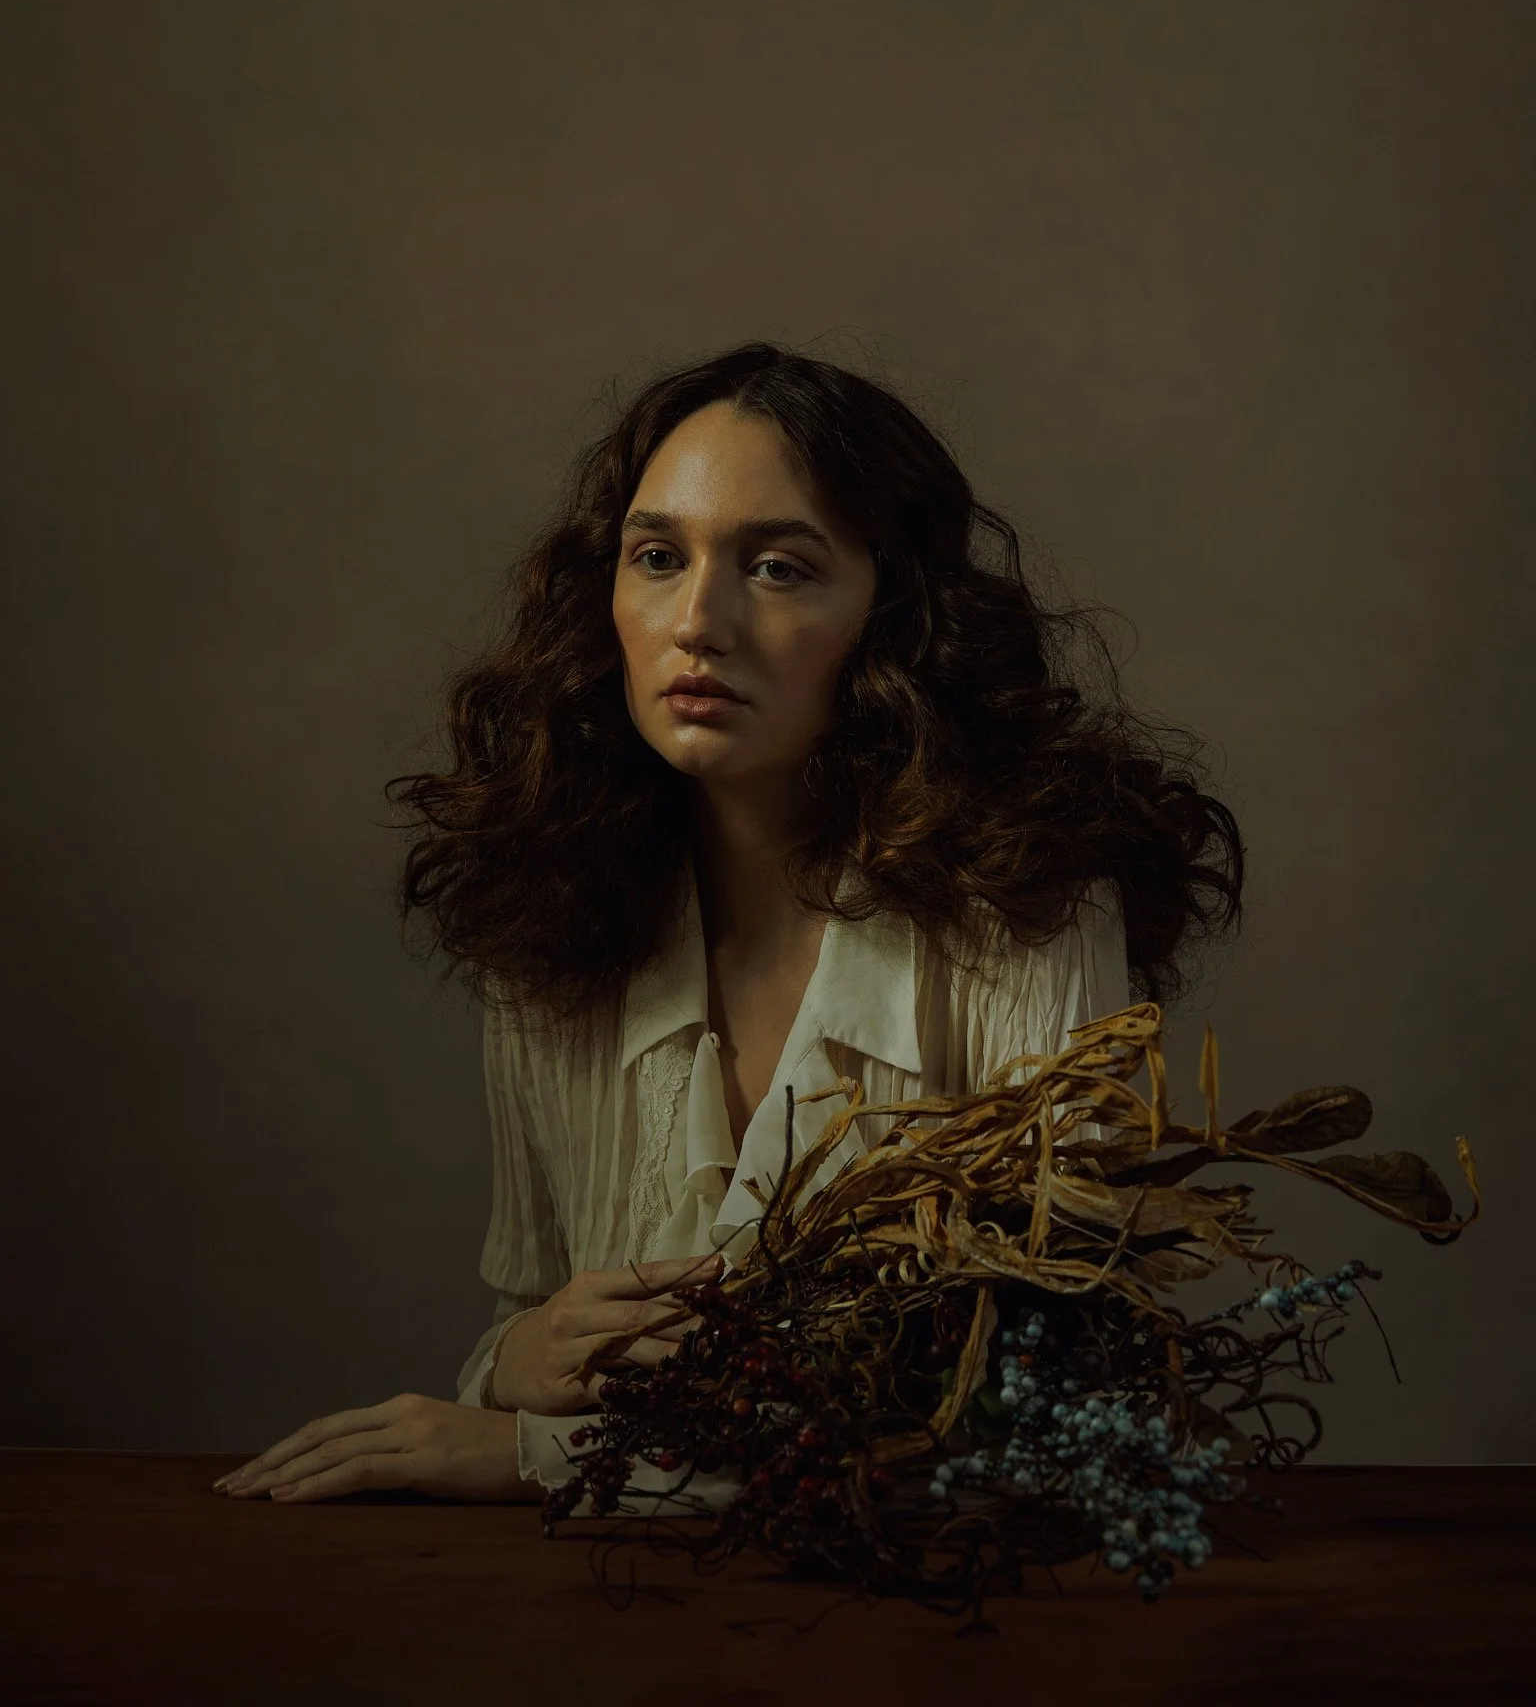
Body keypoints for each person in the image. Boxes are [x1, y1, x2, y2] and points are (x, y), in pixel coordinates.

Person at [214, 342, 1242, 1507]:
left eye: (779, 568)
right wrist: (513, 1357)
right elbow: (538, 1343)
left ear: (893, 618)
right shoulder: (545, 923)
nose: (698, 619)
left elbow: (1045, 1415)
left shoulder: (1032, 913)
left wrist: (526, 1454)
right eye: (657, 556)